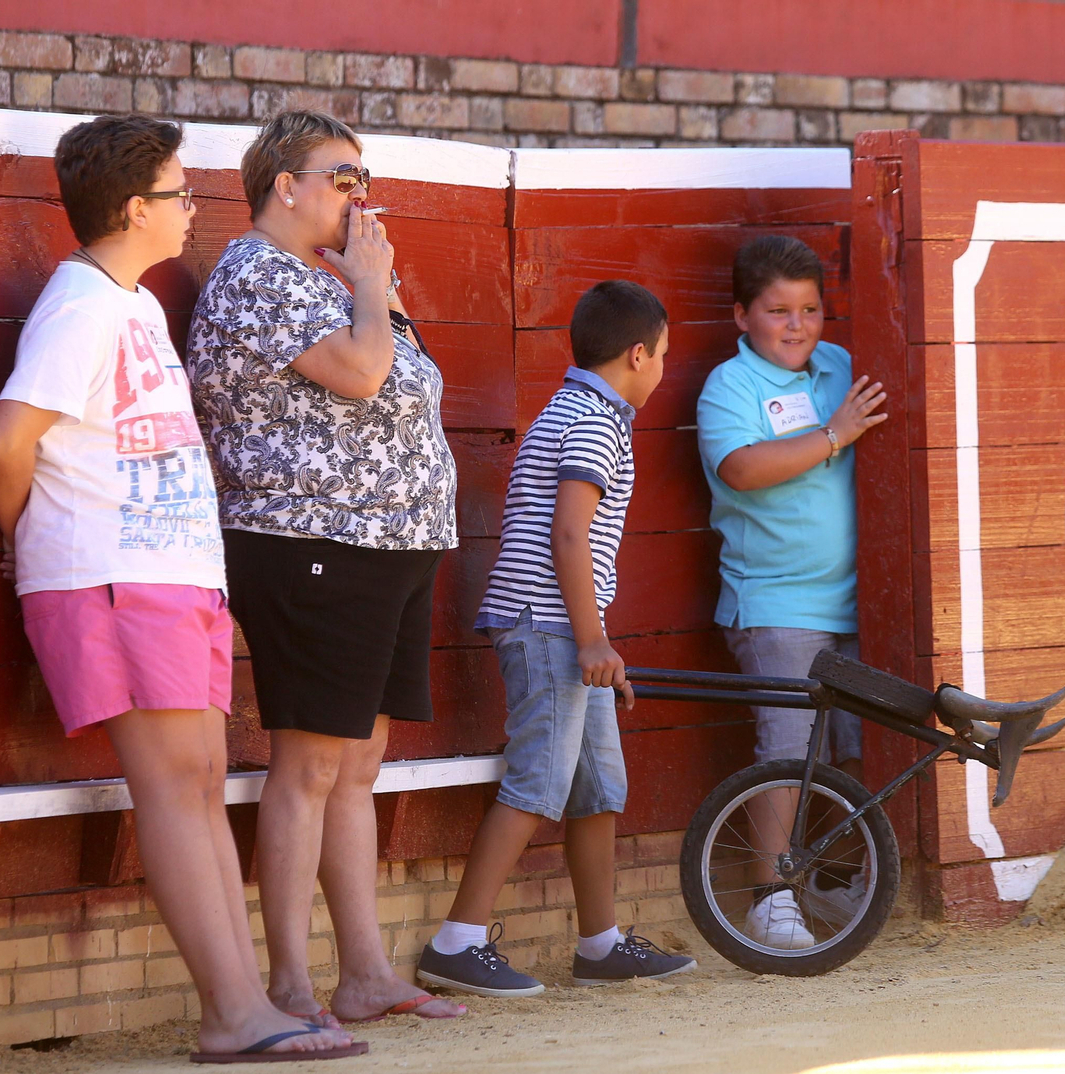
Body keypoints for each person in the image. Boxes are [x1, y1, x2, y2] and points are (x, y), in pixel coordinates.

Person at [0, 115, 358, 1062]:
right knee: (175, 789)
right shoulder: (81, 304)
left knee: (197, 782)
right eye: (181, 194)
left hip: (166, 570)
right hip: (109, 569)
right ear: (131, 207)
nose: (194, 208)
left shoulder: (134, 303)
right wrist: (21, 539)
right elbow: (4, 440)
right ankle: (232, 1012)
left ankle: (248, 1006)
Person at [187, 110, 465, 1026]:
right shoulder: (256, 273)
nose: (360, 197)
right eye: (344, 178)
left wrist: (364, 283)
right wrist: (374, 284)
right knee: (308, 765)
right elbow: (362, 373)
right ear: (285, 185)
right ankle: (289, 987)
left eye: (363, 179)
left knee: (357, 764)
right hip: (314, 544)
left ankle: (365, 974)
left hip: (385, 544)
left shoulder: (323, 276)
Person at [415, 281, 696, 996]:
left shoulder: (580, 409)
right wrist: (593, 640)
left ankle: (599, 943)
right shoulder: (597, 421)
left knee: (597, 785)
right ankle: (457, 939)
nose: (663, 369)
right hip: (551, 627)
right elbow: (569, 533)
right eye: (662, 356)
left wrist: (597, 644)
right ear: (637, 355)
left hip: (563, 627)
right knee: (539, 779)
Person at [694, 235, 889, 950]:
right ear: (741, 314)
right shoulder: (731, 386)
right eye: (779, 311)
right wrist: (834, 435)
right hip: (776, 603)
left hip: (862, 599)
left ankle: (844, 884)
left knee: (867, 745)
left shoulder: (840, 366)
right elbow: (742, 469)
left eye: (811, 309)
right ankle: (771, 898)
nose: (798, 325)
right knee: (788, 754)